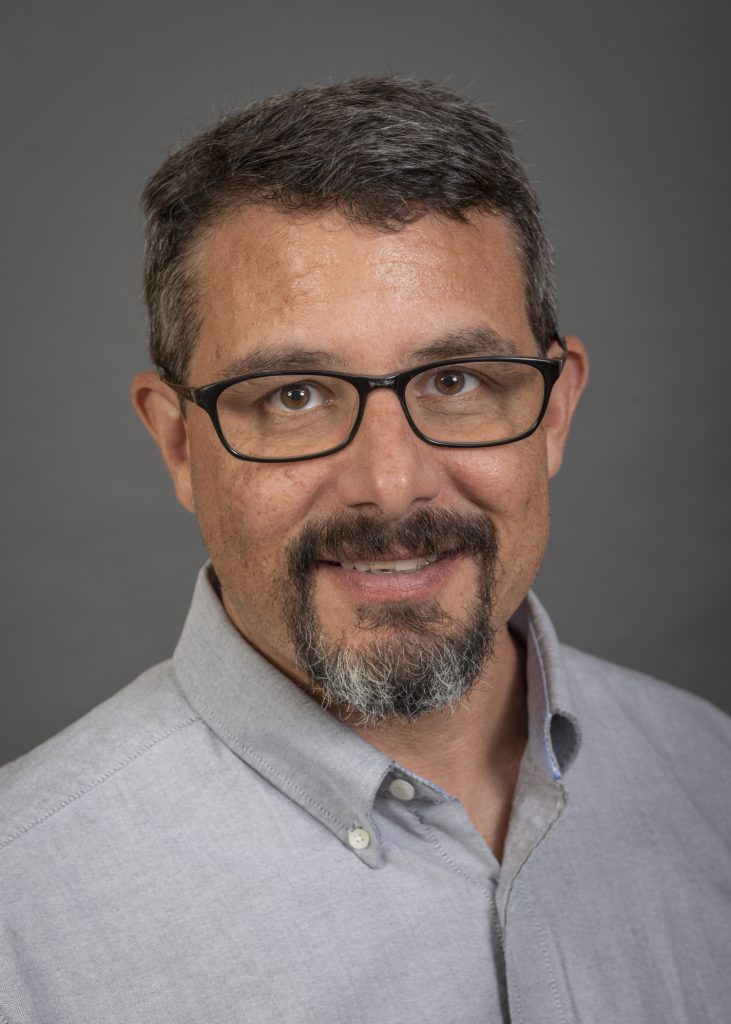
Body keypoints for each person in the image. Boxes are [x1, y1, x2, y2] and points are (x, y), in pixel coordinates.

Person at [0, 77, 729, 1024]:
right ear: (179, 443)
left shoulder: (709, 776)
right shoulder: (22, 913)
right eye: (293, 394)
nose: (391, 485)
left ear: (553, 412)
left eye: (458, 379)